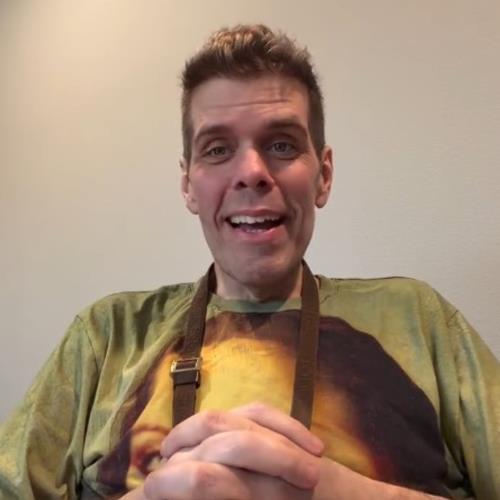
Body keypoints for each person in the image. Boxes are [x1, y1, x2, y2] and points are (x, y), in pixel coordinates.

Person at [0, 24, 499, 500]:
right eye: (218, 150)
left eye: (281, 145)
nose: (252, 171)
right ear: (188, 185)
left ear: (323, 175)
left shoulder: (420, 321)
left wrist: (339, 490)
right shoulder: (106, 336)